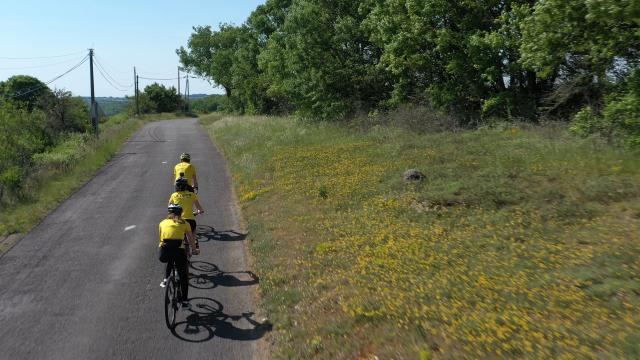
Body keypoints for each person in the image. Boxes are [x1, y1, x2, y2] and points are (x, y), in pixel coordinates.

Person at [159, 204, 199, 309]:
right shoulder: (185, 223)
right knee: (183, 277)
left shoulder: (162, 223)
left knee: (169, 260)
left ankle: (165, 279)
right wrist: (195, 250)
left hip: (163, 253)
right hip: (178, 252)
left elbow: (161, 238)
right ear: (181, 213)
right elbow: (190, 239)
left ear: (169, 213)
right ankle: (184, 302)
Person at [168, 177, 205, 251]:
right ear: (186, 186)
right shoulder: (192, 195)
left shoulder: (174, 195)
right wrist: (200, 211)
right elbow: (199, 208)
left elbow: (169, 207)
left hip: (178, 220)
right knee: (193, 233)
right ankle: (194, 246)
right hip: (190, 219)